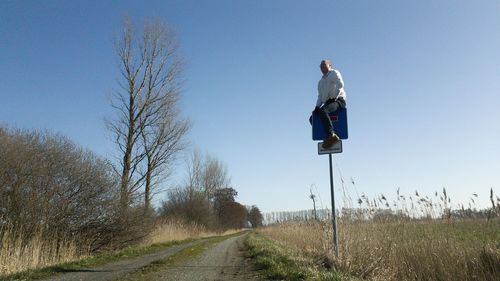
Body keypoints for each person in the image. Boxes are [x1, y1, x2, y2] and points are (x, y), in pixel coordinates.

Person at [313, 59, 347, 149]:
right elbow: (320, 96)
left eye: (324, 64)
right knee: (312, 119)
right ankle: (327, 138)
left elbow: (340, 84)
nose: (322, 66)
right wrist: (316, 107)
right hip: (328, 102)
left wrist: (335, 97)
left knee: (323, 111)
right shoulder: (320, 82)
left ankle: (331, 135)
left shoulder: (334, 73)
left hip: (338, 100)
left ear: (330, 66)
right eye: (320, 65)